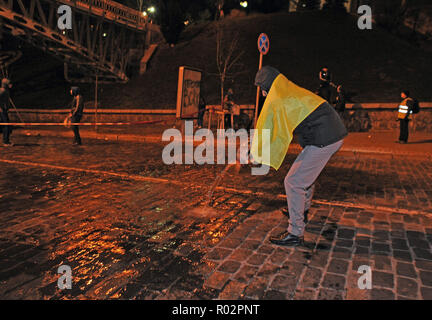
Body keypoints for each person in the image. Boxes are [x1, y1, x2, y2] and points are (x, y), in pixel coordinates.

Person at [251, 66, 347, 246]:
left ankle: (295, 232)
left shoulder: (280, 98)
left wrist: (256, 154)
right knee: (304, 176)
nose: (263, 94)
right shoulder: (290, 90)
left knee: (293, 181)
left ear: (268, 86)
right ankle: (301, 210)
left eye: (263, 89)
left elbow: (273, 131)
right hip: (330, 134)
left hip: (325, 137)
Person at [0, 78, 13, 147]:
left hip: (4, 110)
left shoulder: (6, 91)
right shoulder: (2, 91)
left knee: (7, 125)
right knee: (6, 125)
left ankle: (6, 140)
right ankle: (5, 141)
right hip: (2, 111)